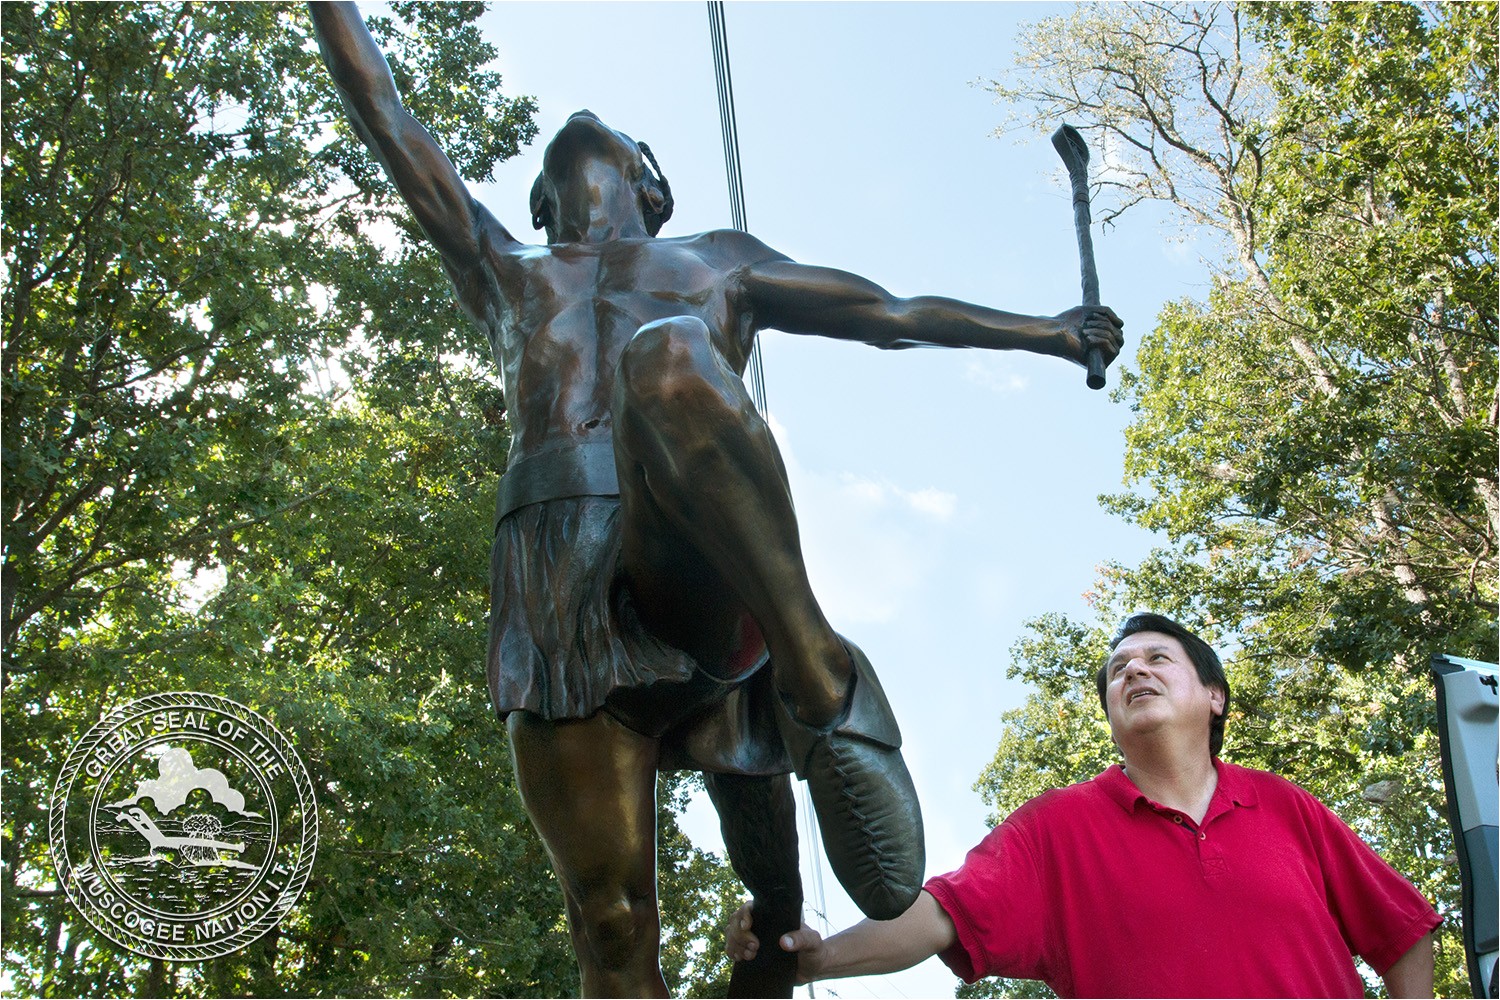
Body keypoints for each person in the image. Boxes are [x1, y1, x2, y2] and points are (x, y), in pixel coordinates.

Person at [310, 4, 1124, 995]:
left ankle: (817, 672)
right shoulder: (505, 269)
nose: (590, 124)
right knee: (609, 931)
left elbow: (888, 313)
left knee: (667, 361)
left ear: (655, 187)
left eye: (629, 146)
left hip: (683, 552)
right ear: (534, 201)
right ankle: (770, 936)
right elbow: (386, 116)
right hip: (556, 598)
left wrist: (1044, 332)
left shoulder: (718, 261)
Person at [727, 613, 1442, 999]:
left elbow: (1403, 930)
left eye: (1158, 659)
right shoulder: (1056, 829)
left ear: (1215, 696)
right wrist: (815, 960)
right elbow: (943, 913)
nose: (1134, 669)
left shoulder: (1285, 807)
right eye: (1118, 671)